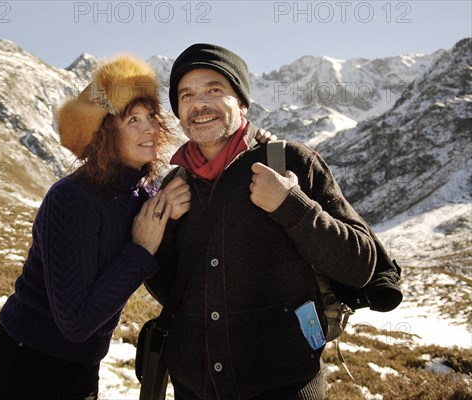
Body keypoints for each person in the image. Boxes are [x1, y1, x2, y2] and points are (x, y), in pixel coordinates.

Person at [148, 43, 377, 399]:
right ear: (178, 110)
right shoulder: (175, 184)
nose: (199, 103)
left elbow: (359, 264)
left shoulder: (292, 162)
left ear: (241, 101)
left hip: (287, 387)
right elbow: (170, 291)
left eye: (214, 89)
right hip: (194, 388)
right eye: (186, 94)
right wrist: (159, 237)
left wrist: (290, 205)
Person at [0, 54, 189, 400]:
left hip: (81, 368)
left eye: (151, 115)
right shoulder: (73, 198)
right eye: (132, 119)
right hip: (26, 367)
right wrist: (141, 250)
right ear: (104, 131)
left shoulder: (141, 194)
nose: (150, 128)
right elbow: (75, 321)